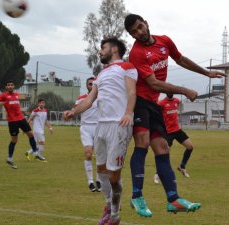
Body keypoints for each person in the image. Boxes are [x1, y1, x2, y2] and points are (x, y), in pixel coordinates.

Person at [124, 13, 226, 216]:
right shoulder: (137, 53)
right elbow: (153, 83)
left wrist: (206, 73)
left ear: (146, 23)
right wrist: (185, 90)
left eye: (140, 27)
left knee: (162, 148)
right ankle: (137, 196)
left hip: (153, 104)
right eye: (134, 32)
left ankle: (173, 199)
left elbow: (180, 59)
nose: (139, 32)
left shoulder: (164, 41)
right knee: (142, 142)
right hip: (140, 102)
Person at [63, 37, 137, 225]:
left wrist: (128, 113)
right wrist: (73, 111)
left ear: (114, 49)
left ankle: (115, 214)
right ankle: (108, 205)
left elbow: (131, 92)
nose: (100, 51)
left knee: (114, 175)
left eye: (102, 48)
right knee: (101, 169)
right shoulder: (101, 74)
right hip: (100, 125)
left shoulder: (127, 67)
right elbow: (89, 100)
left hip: (119, 125)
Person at [0, 80, 45, 169]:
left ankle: (35, 153)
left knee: (30, 134)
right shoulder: (3, 95)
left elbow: (16, 105)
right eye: (8, 85)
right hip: (12, 121)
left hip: (21, 119)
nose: (10, 86)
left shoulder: (17, 95)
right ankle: (10, 158)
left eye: (11, 85)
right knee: (14, 140)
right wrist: (1, 103)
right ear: (6, 87)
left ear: (14, 86)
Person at [154, 94, 193, 184]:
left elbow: (179, 106)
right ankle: (157, 174)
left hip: (177, 130)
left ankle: (182, 166)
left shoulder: (176, 101)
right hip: (168, 132)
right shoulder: (162, 103)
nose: (170, 92)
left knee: (190, 147)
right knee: (163, 153)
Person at [74, 77, 101, 192]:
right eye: (89, 84)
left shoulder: (101, 98)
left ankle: (99, 179)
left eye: (93, 84)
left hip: (98, 127)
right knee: (89, 154)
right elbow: (75, 110)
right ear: (86, 86)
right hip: (85, 128)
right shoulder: (81, 99)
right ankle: (90, 181)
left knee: (100, 156)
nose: (91, 85)